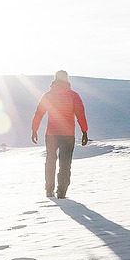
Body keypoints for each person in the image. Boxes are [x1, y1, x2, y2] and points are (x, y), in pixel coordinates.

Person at [30, 70, 89, 199]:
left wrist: (34, 129)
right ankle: (61, 192)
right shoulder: (73, 96)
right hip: (68, 135)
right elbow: (80, 114)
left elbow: (39, 113)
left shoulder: (48, 95)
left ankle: (49, 190)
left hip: (51, 134)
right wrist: (84, 131)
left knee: (50, 161)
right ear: (67, 80)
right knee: (65, 163)